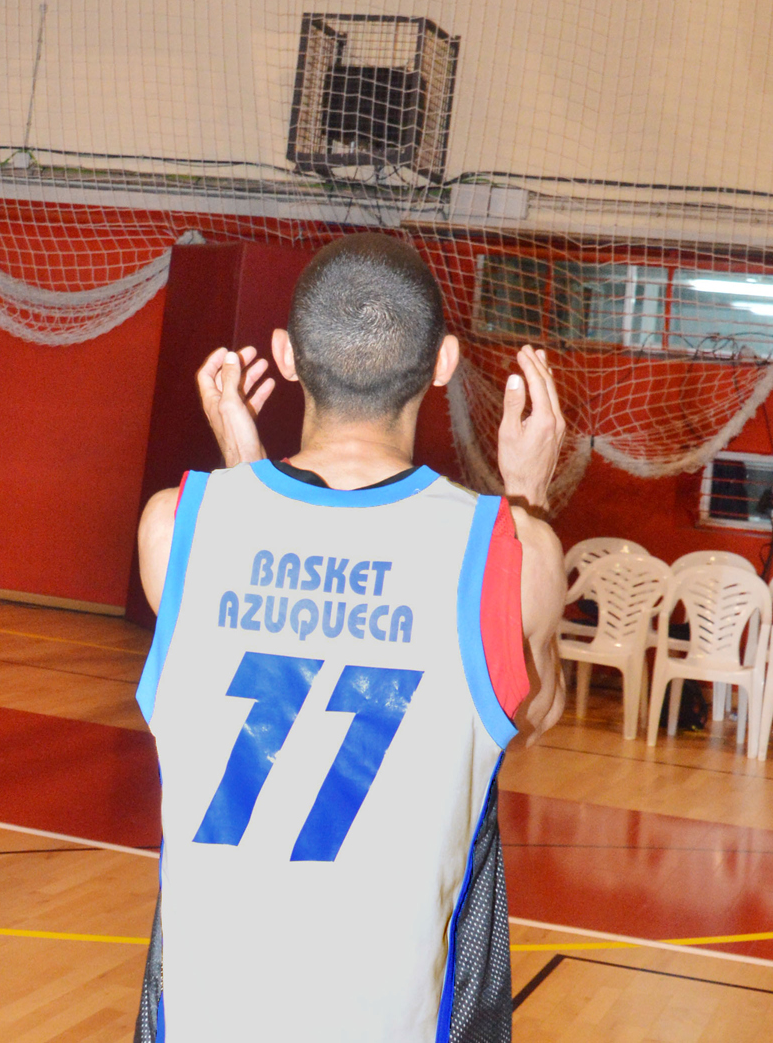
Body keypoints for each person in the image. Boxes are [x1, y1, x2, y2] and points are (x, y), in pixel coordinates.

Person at [134, 234, 568, 1043]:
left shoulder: (175, 526)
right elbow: (532, 713)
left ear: (285, 356)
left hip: (201, 1019)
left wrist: (242, 465)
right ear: (442, 365)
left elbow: (257, 577)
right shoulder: (508, 554)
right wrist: (526, 499)